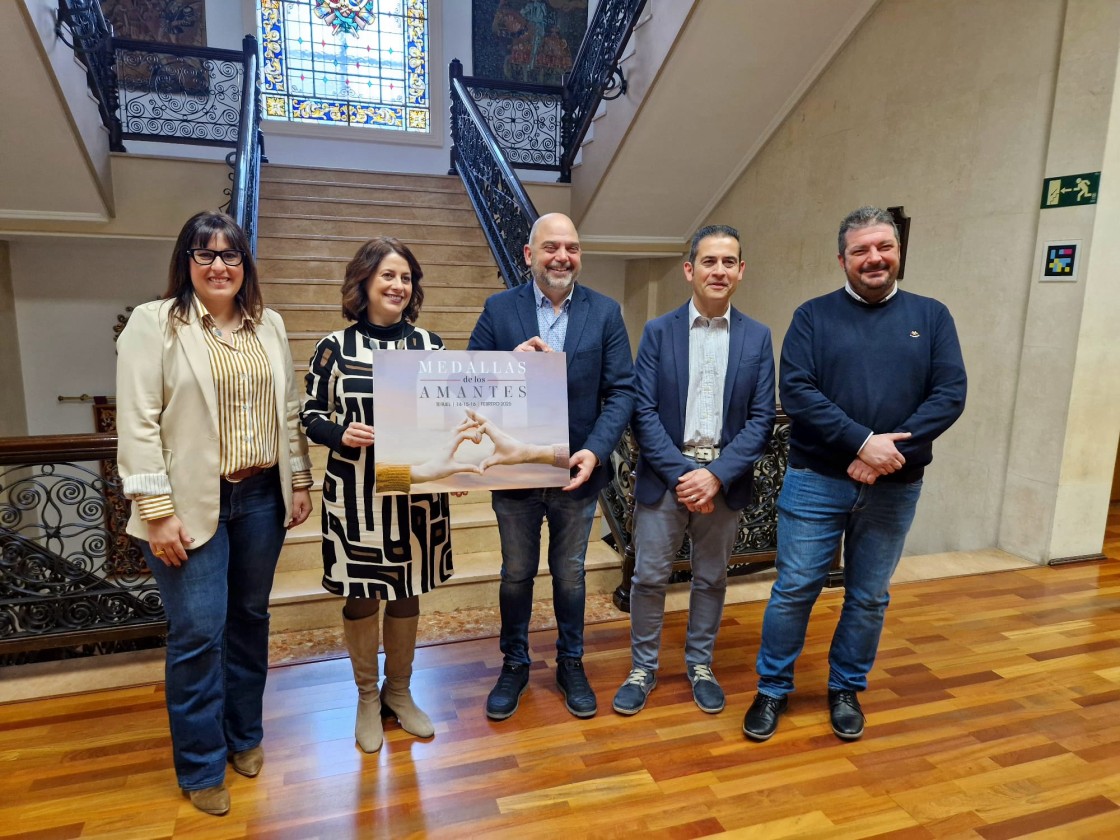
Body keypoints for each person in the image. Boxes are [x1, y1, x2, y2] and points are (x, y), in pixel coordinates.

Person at [742, 206, 967, 743]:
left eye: (883, 247)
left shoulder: (932, 316)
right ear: (842, 259)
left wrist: (886, 454)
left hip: (896, 484)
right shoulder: (812, 317)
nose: (874, 258)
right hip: (816, 479)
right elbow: (797, 391)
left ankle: (845, 687)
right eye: (861, 250)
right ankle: (772, 688)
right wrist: (863, 442)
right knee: (795, 588)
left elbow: (949, 394)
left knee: (869, 596)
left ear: (898, 253)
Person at [116, 211, 313, 817]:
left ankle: (244, 736)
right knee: (199, 634)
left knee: (250, 620)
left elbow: (288, 408)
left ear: (245, 264)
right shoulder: (156, 324)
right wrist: (155, 510)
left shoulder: (268, 325)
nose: (220, 266)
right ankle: (201, 765)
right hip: (185, 504)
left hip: (260, 498)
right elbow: (138, 422)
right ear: (188, 262)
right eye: (206, 255)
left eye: (230, 255)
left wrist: (298, 478)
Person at [301, 237, 470, 755]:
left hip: (412, 487)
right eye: (388, 276)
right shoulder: (334, 347)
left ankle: (400, 690)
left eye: (406, 277)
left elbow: (451, 415)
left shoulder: (431, 347)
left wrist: (458, 465)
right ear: (365, 284)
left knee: (407, 584)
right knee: (362, 590)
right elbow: (309, 414)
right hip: (355, 489)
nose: (398, 286)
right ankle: (367, 696)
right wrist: (338, 434)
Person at [467, 212, 636, 720]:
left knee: (571, 575)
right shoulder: (499, 310)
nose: (563, 256)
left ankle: (571, 662)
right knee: (516, 573)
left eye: (572, 248)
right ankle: (514, 664)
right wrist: (507, 365)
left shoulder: (605, 313)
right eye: (551, 247)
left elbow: (622, 390)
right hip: (514, 473)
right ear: (529, 255)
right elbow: (467, 382)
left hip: (576, 474)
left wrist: (598, 450)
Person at [612, 225, 775, 716]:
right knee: (648, 578)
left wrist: (716, 475)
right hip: (666, 479)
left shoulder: (758, 336)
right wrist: (685, 474)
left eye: (729, 262)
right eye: (709, 261)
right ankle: (642, 668)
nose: (719, 271)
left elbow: (762, 418)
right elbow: (643, 410)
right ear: (690, 270)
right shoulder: (659, 332)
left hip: (723, 483)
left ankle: (700, 664)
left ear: (741, 271)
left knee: (711, 579)